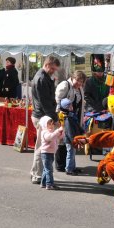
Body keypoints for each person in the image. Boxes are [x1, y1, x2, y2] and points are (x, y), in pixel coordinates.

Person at [30, 55, 60, 184]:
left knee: (43, 146)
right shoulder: (42, 78)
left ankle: (36, 173)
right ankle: (37, 175)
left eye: (55, 69)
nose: (54, 71)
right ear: (47, 65)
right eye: (52, 68)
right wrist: (54, 118)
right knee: (42, 147)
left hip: (42, 115)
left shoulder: (43, 77)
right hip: (42, 116)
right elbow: (45, 103)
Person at [60, 98, 84, 175]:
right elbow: (70, 131)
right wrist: (73, 140)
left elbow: (76, 125)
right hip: (70, 140)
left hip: (72, 138)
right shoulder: (67, 118)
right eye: (69, 105)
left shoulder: (71, 115)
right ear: (66, 107)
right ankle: (69, 169)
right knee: (70, 154)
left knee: (72, 153)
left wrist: (81, 131)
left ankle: (73, 168)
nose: (71, 106)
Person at [39, 116, 63, 190]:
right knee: (49, 169)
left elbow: (59, 137)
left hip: (51, 152)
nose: (52, 124)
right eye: (49, 123)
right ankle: (49, 184)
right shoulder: (44, 132)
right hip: (46, 153)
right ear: (44, 125)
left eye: (52, 123)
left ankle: (43, 183)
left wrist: (61, 131)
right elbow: (50, 137)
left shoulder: (52, 132)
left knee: (46, 169)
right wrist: (57, 131)